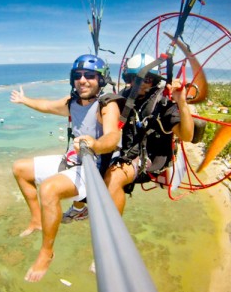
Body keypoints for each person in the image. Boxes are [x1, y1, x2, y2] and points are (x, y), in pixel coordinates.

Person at [10, 54, 122, 282]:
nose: (83, 80)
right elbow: (47, 106)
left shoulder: (106, 105)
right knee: (20, 169)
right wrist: (25, 100)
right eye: (78, 76)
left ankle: (46, 252)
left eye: (90, 76)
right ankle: (37, 220)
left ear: (101, 80)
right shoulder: (72, 102)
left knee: (49, 189)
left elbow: (112, 136)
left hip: (95, 167)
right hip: (73, 160)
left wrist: (95, 144)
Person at [62, 52, 195, 222]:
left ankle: (111, 228)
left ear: (154, 81)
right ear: (128, 79)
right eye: (134, 78)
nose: (139, 84)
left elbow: (187, 135)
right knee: (86, 163)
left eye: (146, 79)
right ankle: (80, 207)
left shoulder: (162, 103)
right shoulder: (124, 96)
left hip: (150, 157)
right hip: (127, 150)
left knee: (114, 176)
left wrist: (181, 102)